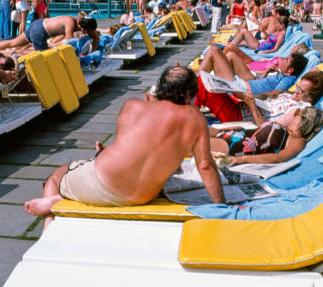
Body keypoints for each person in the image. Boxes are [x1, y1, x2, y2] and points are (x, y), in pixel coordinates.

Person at [24, 66, 226, 226]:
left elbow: (126, 149)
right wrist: (221, 206)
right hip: (140, 197)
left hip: (102, 184)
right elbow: (205, 167)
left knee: (56, 175)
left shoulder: (132, 105)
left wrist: (104, 153)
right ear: (188, 94)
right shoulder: (194, 118)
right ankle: (59, 202)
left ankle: (50, 221)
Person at [210, 106, 323, 165]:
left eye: (298, 113)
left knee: (195, 144)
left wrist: (242, 159)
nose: (294, 114)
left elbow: (278, 158)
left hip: (233, 146)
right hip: (228, 136)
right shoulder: (285, 128)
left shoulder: (297, 141)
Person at [0, 13, 100, 55]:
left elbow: (96, 37)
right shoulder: (70, 22)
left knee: (13, 42)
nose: (87, 33)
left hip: (38, 24)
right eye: (87, 31)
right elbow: (69, 44)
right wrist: (80, 55)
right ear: (81, 26)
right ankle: (10, 53)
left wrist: (91, 51)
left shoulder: (84, 23)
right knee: (41, 54)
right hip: (40, 32)